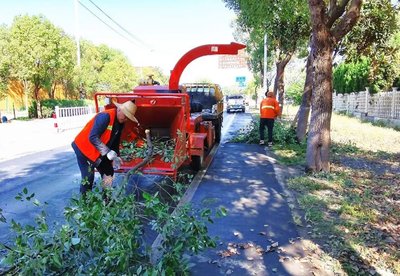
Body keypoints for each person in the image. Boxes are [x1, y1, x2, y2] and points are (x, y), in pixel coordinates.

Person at [71, 100, 139, 194]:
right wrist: (107, 151)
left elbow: (115, 139)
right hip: (84, 149)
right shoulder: (105, 116)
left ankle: (106, 198)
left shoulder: (120, 122)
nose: (126, 120)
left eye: (128, 118)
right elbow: (93, 137)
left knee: (108, 171)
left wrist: (116, 156)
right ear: (119, 110)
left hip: (99, 150)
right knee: (88, 177)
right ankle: (84, 204)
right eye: (126, 116)